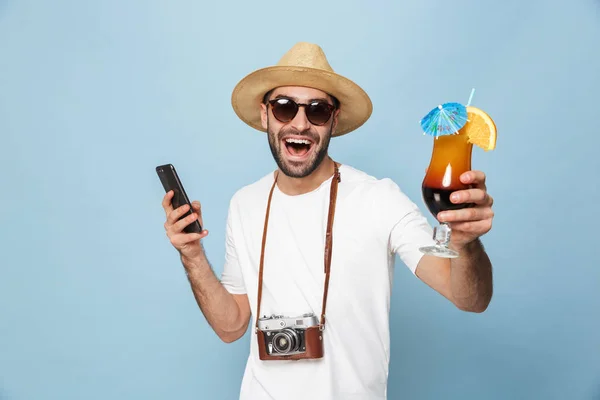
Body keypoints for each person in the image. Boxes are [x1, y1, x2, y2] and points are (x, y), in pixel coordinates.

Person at [161, 42, 494, 400]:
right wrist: (192, 255)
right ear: (265, 115)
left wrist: (465, 243)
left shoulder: (377, 198)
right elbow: (230, 326)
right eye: (284, 107)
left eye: (317, 111)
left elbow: (469, 299)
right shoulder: (245, 203)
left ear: (333, 119)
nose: (300, 123)